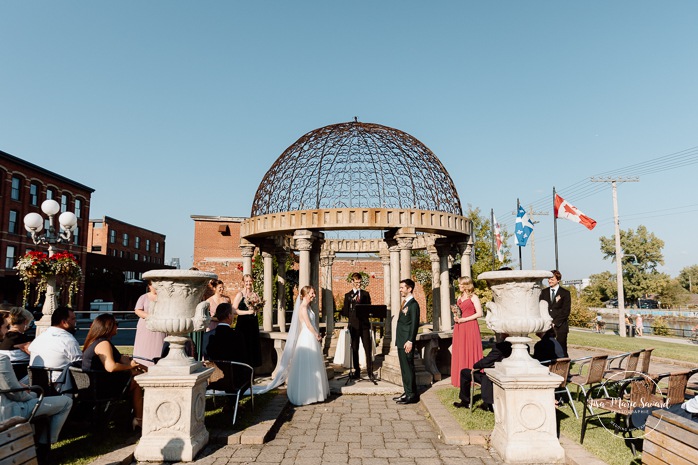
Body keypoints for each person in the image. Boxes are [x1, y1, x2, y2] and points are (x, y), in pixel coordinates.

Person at [0, 311, 73, 464]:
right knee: (65, 402)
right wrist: (33, 394)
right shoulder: (1, 359)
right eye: (5, 327)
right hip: (9, 409)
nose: (7, 331)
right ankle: (45, 446)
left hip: (8, 401)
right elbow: (17, 395)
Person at [248, 286, 329, 406]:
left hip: (309, 336)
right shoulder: (302, 308)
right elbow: (308, 324)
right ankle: (306, 394)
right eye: (312, 293)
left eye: (314, 293)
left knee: (312, 366)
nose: (314, 295)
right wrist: (317, 335)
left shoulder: (308, 307)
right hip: (307, 337)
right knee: (307, 366)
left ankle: (315, 392)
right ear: (306, 294)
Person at [82, 314, 147, 429]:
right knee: (136, 382)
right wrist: (129, 367)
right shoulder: (103, 344)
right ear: (108, 326)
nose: (117, 327)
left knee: (135, 374)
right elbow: (110, 367)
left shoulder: (95, 341)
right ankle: (139, 420)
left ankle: (137, 417)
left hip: (94, 384)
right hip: (102, 387)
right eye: (116, 324)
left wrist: (135, 365)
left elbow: (122, 359)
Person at [453, 334, 512, 411]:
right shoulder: (524, 347)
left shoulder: (501, 347)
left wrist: (475, 366)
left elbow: (486, 362)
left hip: (493, 377)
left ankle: (466, 401)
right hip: (507, 375)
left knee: (464, 372)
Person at [29, 307, 82, 381]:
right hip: (60, 384)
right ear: (64, 322)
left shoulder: (39, 338)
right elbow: (79, 364)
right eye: (73, 319)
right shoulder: (68, 340)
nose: (75, 321)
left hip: (36, 382)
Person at [450, 277, 483, 388]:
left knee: (470, 348)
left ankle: (473, 377)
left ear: (466, 285)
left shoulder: (474, 297)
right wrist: (456, 317)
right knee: (461, 349)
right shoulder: (459, 297)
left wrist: (465, 319)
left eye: (460, 284)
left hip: (470, 326)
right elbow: (459, 312)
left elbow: (479, 313)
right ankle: (460, 378)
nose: (459, 286)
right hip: (460, 327)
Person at [341, 272, 373, 379]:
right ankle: (357, 371)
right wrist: (351, 303)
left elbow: (369, 309)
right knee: (355, 348)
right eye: (356, 282)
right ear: (352, 282)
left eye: (360, 282)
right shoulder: (348, 296)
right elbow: (345, 312)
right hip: (354, 326)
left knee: (367, 348)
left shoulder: (365, 294)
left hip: (364, 325)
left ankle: (370, 371)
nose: (358, 284)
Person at [394, 279, 420, 405]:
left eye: (402, 288)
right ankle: (407, 391)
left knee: (408, 368)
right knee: (404, 368)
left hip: (406, 341)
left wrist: (410, 341)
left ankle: (412, 395)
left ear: (409, 289)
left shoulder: (413, 305)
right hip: (401, 340)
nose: (400, 290)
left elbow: (414, 324)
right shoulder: (405, 303)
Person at [232, 274, 262, 368]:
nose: (248, 283)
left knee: (252, 347)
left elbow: (258, 309)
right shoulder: (240, 294)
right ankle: (242, 371)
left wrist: (257, 308)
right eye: (246, 281)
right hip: (243, 324)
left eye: (250, 281)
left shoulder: (255, 294)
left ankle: (252, 371)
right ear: (243, 283)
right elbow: (234, 310)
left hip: (253, 323)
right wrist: (247, 312)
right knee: (243, 346)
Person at [539, 270, 571, 357]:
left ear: (558, 280)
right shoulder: (543, 292)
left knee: (561, 348)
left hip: (560, 327)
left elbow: (566, 311)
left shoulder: (565, 293)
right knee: (546, 348)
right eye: (548, 279)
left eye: (552, 279)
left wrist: (555, 323)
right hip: (546, 326)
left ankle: (564, 367)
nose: (549, 281)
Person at [133, 281, 165, 366]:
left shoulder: (164, 298)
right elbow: (137, 310)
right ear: (149, 286)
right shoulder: (143, 297)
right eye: (153, 285)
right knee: (144, 345)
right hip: (145, 326)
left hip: (160, 326)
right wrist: (149, 316)